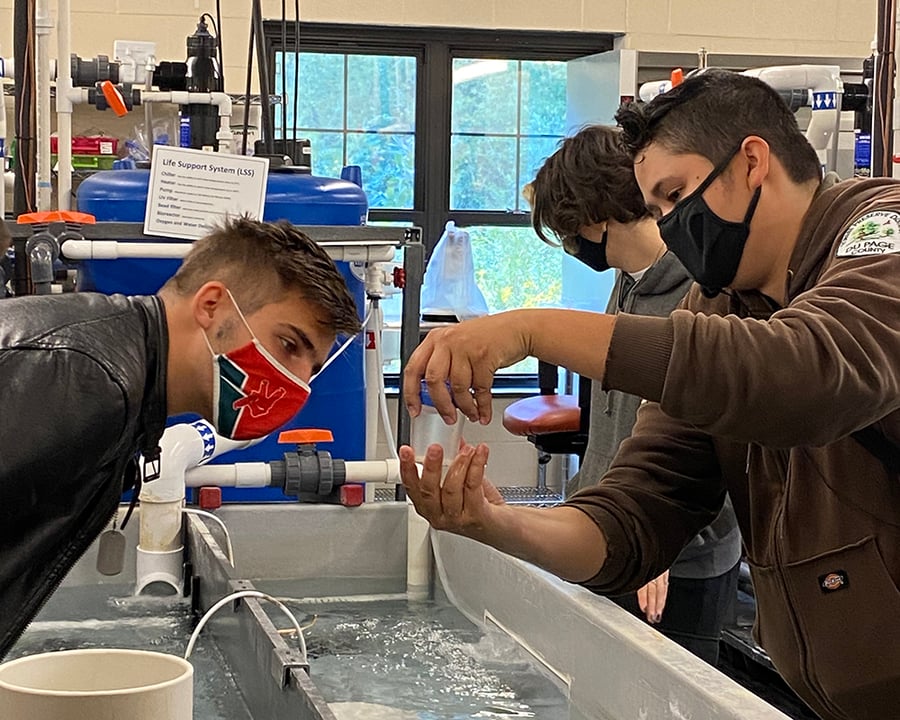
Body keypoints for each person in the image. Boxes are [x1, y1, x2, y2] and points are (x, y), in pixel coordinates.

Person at [398, 69, 900, 720]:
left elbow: (810, 374)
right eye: (658, 208)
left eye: (675, 195)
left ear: (751, 162)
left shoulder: (880, 233)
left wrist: (533, 327)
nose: (671, 226)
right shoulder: (720, 305)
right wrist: (498, 525)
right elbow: (637, 513)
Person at [0, 216, 361, 658]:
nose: (299, 381)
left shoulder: (122, 379)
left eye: (313, 367)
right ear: (211, 306)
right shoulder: (87, 377)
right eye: (288, 345)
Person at [527, 124, 741, 666]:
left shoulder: (700, 293)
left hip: (673, 565)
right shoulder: (628, 280)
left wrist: (659, 539)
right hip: (614, 536)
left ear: (593, 219)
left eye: (569, 230)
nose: (573, 246)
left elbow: (717, 443)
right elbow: (616, 420)